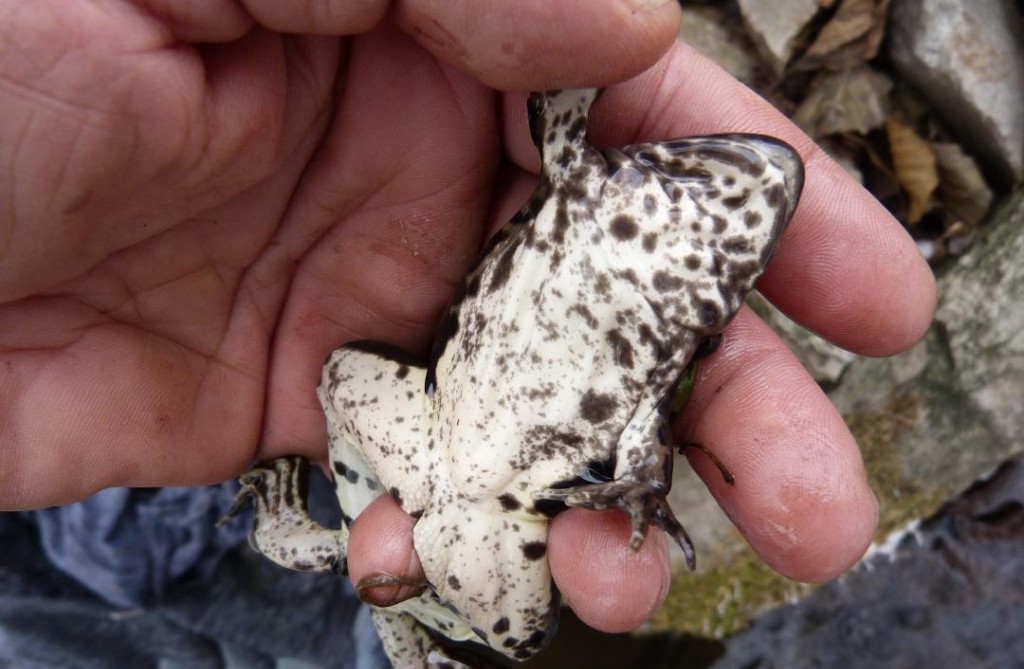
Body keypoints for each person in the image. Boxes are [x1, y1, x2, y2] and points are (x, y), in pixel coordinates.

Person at [0, 1, 935, 633]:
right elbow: (646, 426)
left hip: (456, 432)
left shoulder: (586, 189)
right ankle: (335, 550)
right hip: (485, 454)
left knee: (495, 603)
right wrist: (635, 484)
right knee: (493, 594)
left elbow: (561, 118)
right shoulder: (665, 304)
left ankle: (341, 553)